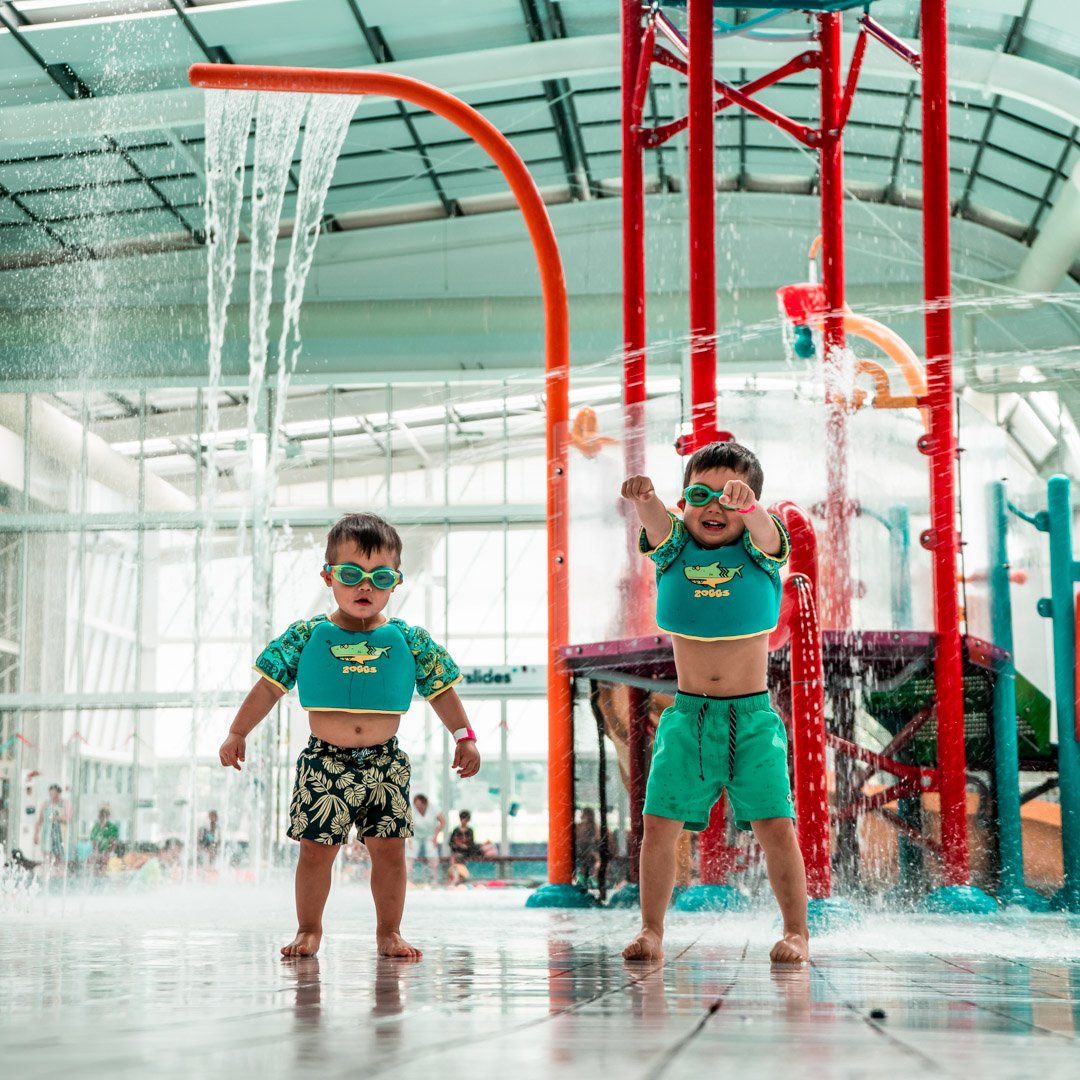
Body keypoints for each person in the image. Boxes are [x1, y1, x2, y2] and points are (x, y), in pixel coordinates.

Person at [219, 512, 480, 959]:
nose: (365, 586)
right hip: (325, 760)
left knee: (390, 851)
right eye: (351, 574)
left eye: (379, 577)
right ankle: (308, 929)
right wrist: (237, 731)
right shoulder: (305, 637)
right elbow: (267, 687)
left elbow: (442, 690)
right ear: (328, 576)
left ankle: (388, 933)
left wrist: (464, 736)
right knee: (316, 851)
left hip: (385, 761)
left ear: (395, 581)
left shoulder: (411, 642)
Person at [620, 440, 809, 964]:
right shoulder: (674, 550)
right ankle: (652, 930)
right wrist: (646, 499)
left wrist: (751, 508)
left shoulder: (760, 551)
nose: (713, 506)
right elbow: (658, 526)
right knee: (659, 824)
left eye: (728, 497)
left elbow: (770, 534)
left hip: (751, 720)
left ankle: (796, 931)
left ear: (749, 505)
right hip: (687, 718)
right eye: (698, 495)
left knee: (776, 828)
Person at [408, 794, 444, 881]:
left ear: (425, 803)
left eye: (420, 805)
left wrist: (435, 837)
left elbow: (442, 822)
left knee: (432, 853)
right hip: (415, 835)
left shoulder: (434, 808)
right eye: (416, 805)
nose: (418, 807)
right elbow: (407, 824)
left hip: (430, 835)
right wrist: (409, 839)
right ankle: (406, 878)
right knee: (409, 854)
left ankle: (434, 878)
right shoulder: (411, 809)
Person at [33, 783, 67, 874]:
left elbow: (68, 818)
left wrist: (56, 818)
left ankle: (59, 874)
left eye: (53, 793)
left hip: (59, 833)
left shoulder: (63, 804)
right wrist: (36, 834)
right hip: (47, 832)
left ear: (58, 793)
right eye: (50, 793)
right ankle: (47, 873)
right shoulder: (46, 804)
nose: (51, 795)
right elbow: (40, 820)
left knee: (58, 856)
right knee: (47, 854)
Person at [89, 804, 120, 876]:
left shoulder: (112, 827)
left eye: (105, 816)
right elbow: (94, 845)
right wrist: (96, 854)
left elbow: (113, 844)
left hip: (109, 852)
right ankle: (94, 877)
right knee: (92, 860)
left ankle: (103, 875)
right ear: (99, 816)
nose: (103, 818)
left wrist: (107, 854)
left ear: (108, 816)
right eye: (101, 816)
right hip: (99, 852)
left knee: (104, 862)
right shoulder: (96, 827)